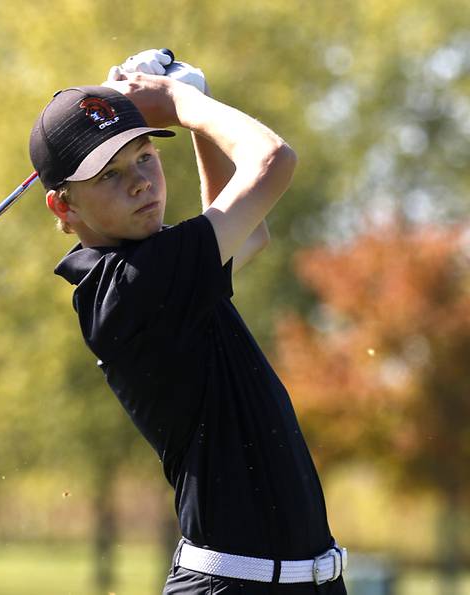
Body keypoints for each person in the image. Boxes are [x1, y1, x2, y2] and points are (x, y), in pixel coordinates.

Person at [29, 50, 347, 594]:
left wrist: (196, 114)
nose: (140, 183)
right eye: (108, 175)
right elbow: (273, 160)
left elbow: (249, 234)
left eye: (145, 157)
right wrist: (183, 101)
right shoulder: (128, 288)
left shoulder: (165, 267)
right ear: (65, 209)